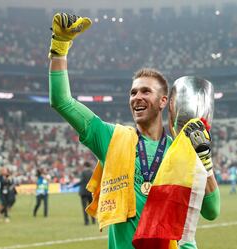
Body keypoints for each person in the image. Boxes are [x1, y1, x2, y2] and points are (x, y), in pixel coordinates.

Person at [47, 13, 220, 249]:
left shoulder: (180, 150)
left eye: (146, 91)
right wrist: (60, 47)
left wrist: (204, 161)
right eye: (133, 92)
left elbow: (212, 211)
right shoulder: (112, 139)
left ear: (163, 101)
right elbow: (62, 101)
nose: (137, 97)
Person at [76, 161, 96, 225]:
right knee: (91, 207)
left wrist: (73, 185)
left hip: (84, 193)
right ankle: (93, 220)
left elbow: (81, 181)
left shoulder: (83, 172)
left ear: (84, 166)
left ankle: (86, 221)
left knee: (84, 208)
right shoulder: (92, 172)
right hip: (90, 192)